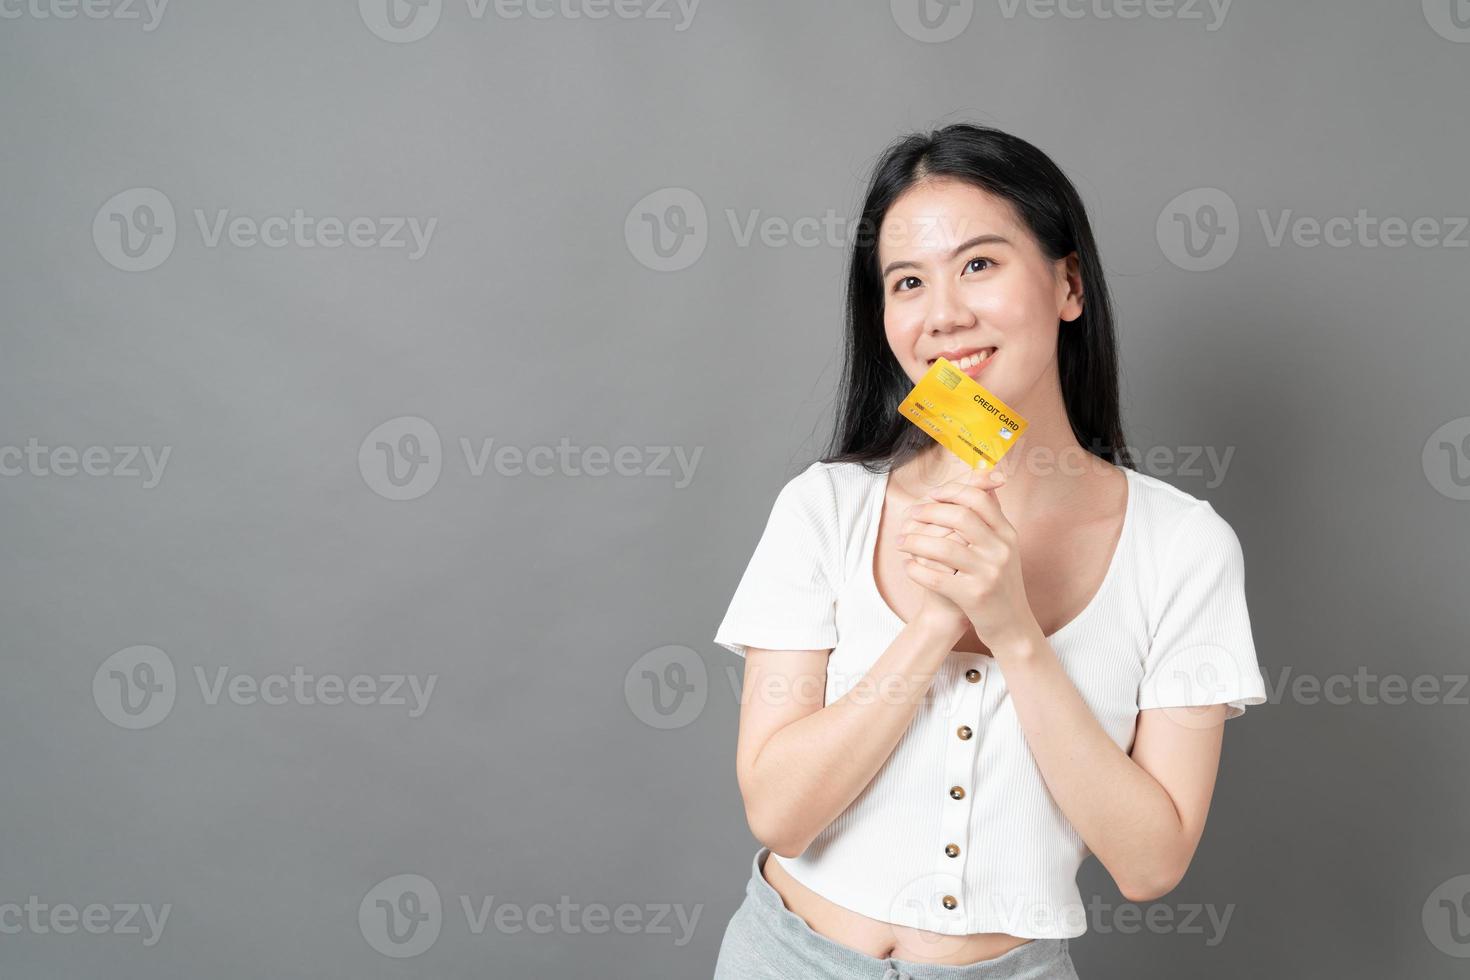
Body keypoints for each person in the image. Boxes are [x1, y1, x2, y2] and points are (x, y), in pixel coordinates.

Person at [709, 123, 1268, 980]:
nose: (943, 316)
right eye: (907, 282)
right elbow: (779, 812)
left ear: (1068, 284)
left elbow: (1152, 863)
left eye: (979, 264)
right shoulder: (824, 509)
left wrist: (1014, 632)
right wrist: (933, 625)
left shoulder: (1184, 548)